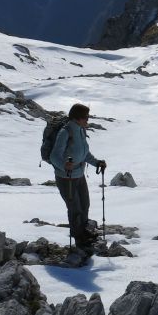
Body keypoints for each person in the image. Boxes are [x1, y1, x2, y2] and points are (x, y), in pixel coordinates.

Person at [49, 103, 106, 257]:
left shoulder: (80, 130)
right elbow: (54, 156)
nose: (88, 119)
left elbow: (84, 154)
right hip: (66, 178)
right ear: (78, 118)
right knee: (75, 208)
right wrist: (64, 165)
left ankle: (84, 232)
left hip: (79, 174)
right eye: (86, 117)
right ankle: (79, 238)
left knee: (85, 204)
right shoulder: (65, 132)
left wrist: (97, 162)